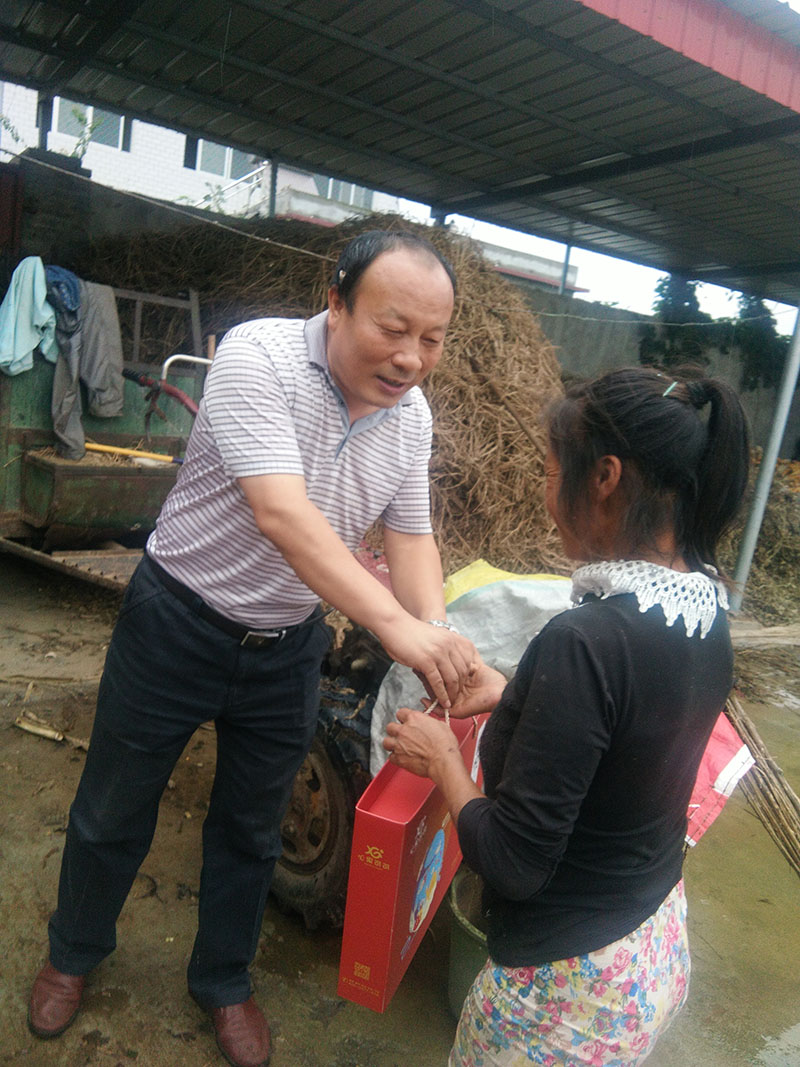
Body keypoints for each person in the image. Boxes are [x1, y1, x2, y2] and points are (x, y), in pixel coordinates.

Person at [27, 229, 479, 1067]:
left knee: (252, 826)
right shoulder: (257, 357)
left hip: (285, 648)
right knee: (113, 806)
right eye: (393, 328)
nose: (411, 358)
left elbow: (412, 536)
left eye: (433, 338)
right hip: (176, 621)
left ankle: (224, 979)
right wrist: (395, 626)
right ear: (336, 303)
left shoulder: (411, 418)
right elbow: (282, 513)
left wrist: (437, 632)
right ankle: (73, 951)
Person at [383, 368, 750, 1067]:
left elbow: (513, 862)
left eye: (553, 474)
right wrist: (516, 694)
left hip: (563, 995)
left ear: (605, 476)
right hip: (648, 949)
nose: (547, 498)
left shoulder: (583, 642)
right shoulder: (704, 614)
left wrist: (444, 763)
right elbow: (629, 737)